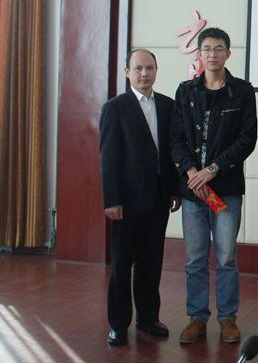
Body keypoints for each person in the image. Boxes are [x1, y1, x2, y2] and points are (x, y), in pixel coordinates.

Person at [170, 27, 257, 344]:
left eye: (219, 48)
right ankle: (196, 318)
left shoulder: (242, 91)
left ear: (228, 54)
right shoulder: (186, 91)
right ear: (199, 54)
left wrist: (213, 169)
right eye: (206, 48)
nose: (212, 54)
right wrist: (191, 170)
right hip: (193, 190)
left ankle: (227, 318)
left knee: (226, 258)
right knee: (195, 258)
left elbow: (247, 139)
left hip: (226, 189)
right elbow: (175, 139)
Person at [100, 49, 180, 346]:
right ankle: (118, 324)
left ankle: (148, 318)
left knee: (151, 263)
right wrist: (112, 199)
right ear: (127, 72)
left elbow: (172, 153)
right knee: (122, 265)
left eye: (149, 68)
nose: (144, 73)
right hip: (126, 202)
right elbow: (109, 158)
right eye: (138, 68)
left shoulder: (168, 105)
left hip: (158, 198)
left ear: (156, 70)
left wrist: (174, 189)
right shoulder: (115, 108)